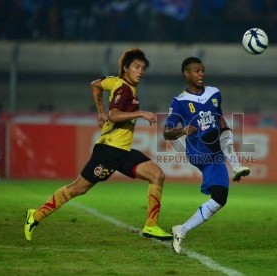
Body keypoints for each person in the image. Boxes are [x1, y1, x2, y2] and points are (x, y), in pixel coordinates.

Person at [24, 48, 173, 241]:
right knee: (78, 188)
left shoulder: (115, 81)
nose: (141, 71)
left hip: (123, 151)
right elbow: (115, 115)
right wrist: (140, 113)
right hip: (109, 151)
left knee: (157, 175)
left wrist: (100, 111)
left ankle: (151, 226)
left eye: (143, 68)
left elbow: (95, 85)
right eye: (136, 67)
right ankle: (35, 216)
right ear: (126, 68)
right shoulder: (124, 89)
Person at [163, 57, 250, 253]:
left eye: (202, 70)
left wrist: (224, 132)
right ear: (186, 74)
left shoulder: (214, 93)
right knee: (218, 133)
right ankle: (236, 166)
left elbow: (219, 119)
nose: (201, 74)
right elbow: (166, 132)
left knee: (220, 198)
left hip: (216, 151)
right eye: (196, 71)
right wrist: (183, 130)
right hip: (197, 149)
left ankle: (181, 230)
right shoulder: (179, 102)